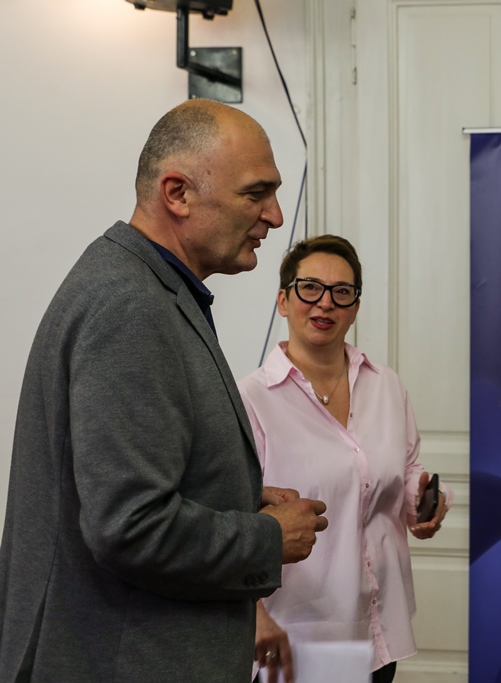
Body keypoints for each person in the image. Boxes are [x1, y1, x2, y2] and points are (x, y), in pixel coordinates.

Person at [0, 100, 330, 682]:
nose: (276, 217)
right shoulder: (129, 306)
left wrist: (234, 495)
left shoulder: (146, 287)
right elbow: (130, 526)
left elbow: (125, 482)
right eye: (256, 193)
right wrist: (266, 538)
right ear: (177, 193)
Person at [238, 235, 452, 683]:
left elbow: (404, 473)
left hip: (378, 626)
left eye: (341, 292)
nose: (325, 303)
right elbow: (232, 517)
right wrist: (253, 615)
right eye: (310, 288)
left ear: (355, 307)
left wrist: (424, 502)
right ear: (283, 300)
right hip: (298, 634)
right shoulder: (251, 399)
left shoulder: (386, 385)